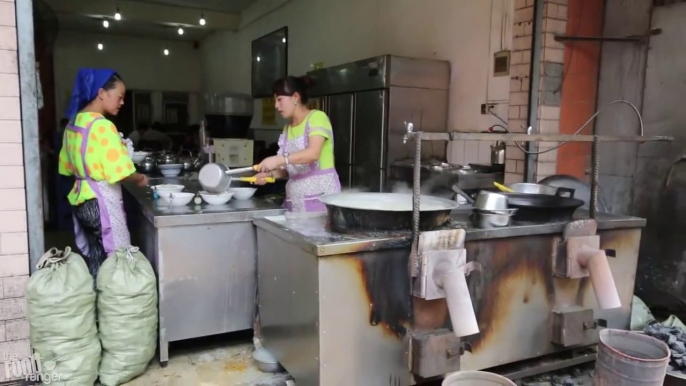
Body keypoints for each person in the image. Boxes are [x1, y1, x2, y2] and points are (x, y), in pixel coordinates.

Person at [58, 69, 149, 278]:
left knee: (97, 256)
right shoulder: (102, 126)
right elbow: (120, 172)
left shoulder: (73, 124)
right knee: (119, 257)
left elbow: (65, 165)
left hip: (81, 200)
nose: (122, 102)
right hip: (101, 201)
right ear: (101, 93)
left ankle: (98, 302)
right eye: (119, 97)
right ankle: (117, 305)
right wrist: (140, 178)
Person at [254, 76, 341, 212]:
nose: (276, 106)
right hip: (295, 202)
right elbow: (289, 169)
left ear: (295, 97)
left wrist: (277, 159)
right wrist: (270, 175)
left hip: (320, 201)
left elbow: (313, 153)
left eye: (279, 99)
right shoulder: (287, 129)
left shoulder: (317, 118)